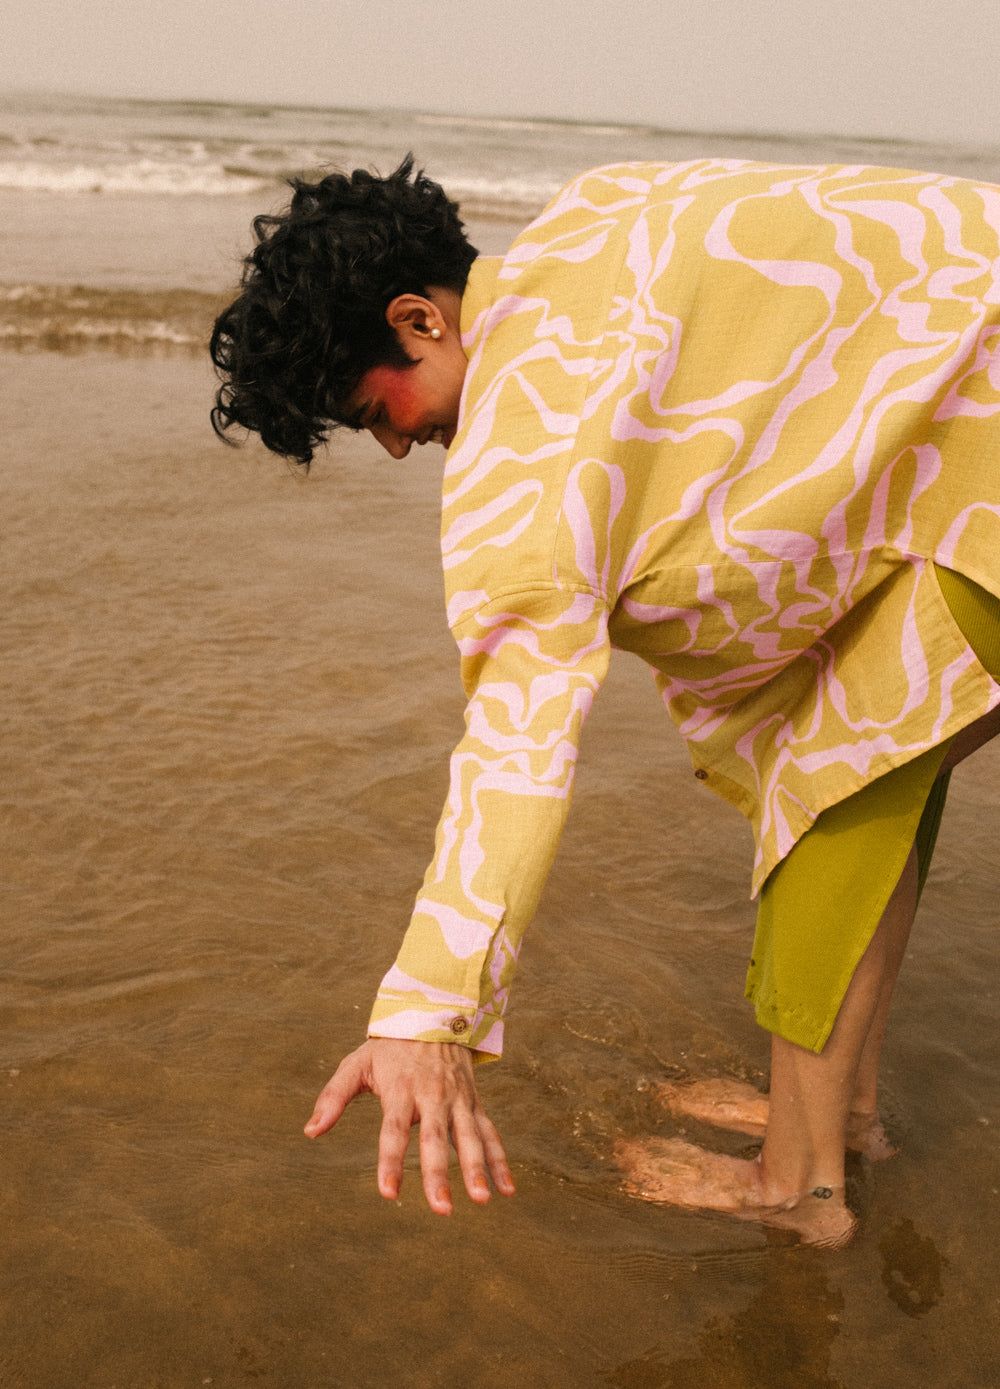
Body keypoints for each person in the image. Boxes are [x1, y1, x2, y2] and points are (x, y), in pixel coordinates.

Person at [211, 155, 1000, 1245]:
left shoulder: (520, 459)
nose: (396, 444)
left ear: (418, 319)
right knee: (865, 757)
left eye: (370, 409)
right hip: (958, 461)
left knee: (827, 793)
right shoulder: (597, 211)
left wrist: (425, 1016)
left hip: (983, 478)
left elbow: (514, 750)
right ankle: (839, 1116)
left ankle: (800, 1187)